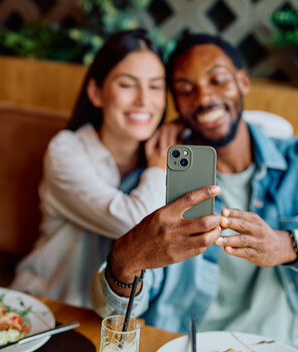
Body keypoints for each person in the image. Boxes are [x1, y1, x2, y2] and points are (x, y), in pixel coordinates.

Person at [89, 33, 298, 352]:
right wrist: (124, 262)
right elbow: (111, 313)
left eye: (217, 80)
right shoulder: (162, 183)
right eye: (186, 90)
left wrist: (286, 246)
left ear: (243, 81)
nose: (203, 98)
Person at [11, 29, 179, 307]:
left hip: (119, 318)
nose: (144, 100)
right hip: (48, 307)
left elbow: (267, 125)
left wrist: (183, 124)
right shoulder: (66, 151)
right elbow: (140, 229)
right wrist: (158, 170)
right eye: (127, 85)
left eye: (155, 86)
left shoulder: (163, 152)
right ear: (96, 92)